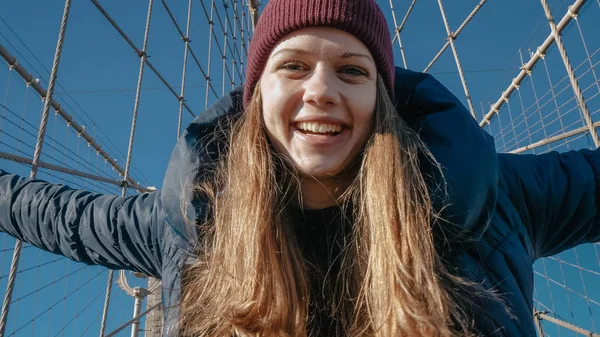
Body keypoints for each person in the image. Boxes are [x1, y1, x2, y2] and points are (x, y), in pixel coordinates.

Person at [1, 0, 599, 335]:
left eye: (353, 70)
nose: (321, 90)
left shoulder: (486, 196)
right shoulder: (192, 219)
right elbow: (65, 217)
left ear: (382, 100)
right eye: (292, 66)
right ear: (255, 93)